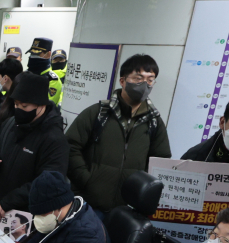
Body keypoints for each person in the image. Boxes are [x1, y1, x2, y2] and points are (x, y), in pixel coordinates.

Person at [66, 53, 171, 212]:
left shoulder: (154, 122)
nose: (144, 84)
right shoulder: (97, 113)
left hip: (127, 209)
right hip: (89, 204)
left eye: (150, 80)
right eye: (138, 78)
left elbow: (160, 162)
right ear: (122, 81)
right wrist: (86, 180)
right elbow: (70, 146)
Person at [0, 73, 69, 215]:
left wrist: (11, 201)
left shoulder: (54, 139)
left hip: (27, 215)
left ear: (41, 105)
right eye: (16, 104)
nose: (18, 109)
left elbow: (48, 183)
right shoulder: (10, 123)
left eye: (24, 106)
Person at [25, 38, 64, 106]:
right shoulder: (24, 74)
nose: (33, 57)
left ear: (48, 54)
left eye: (37, 54)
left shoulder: (52, 80)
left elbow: (45, 106)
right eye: (32, 53)